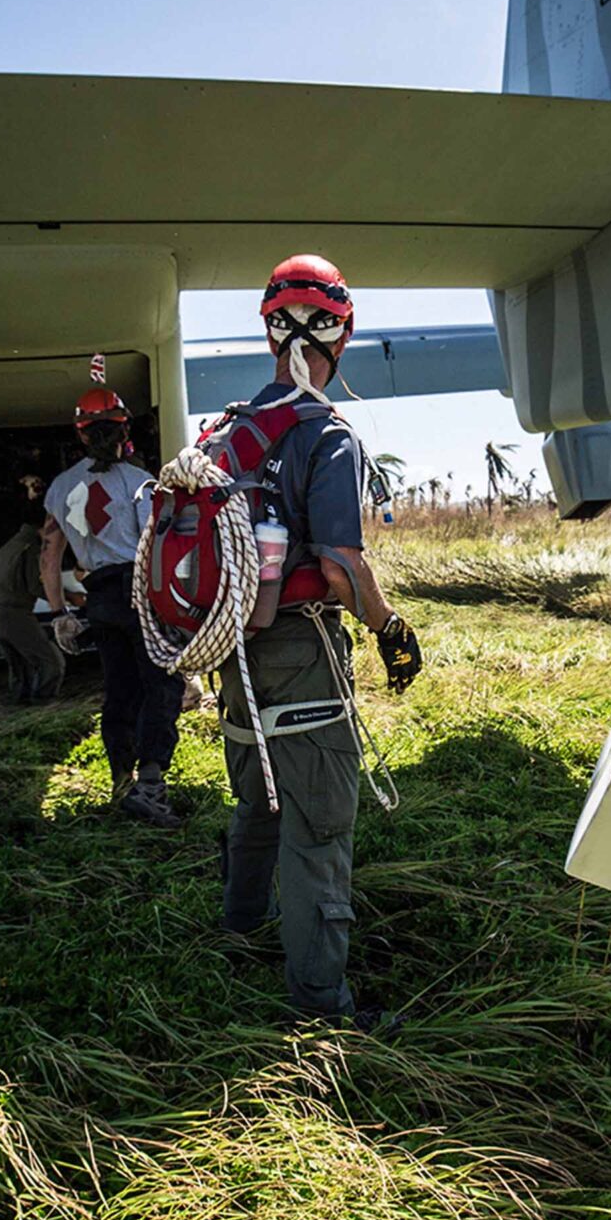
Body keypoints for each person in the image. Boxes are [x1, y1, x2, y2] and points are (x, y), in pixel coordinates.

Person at [216, 254, 423, 1030]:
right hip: (301, 649)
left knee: (258, 800)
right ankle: (322, 1009)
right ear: (342, 335)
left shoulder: (229, 432)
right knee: (320, 829)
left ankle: (239, 930)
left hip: (233, 650)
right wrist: (388, 628)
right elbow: (340, 566)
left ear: (271, 330)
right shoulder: (326, 437)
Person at [42, 384, 185, 827]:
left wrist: (59, 614)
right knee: (162, 686)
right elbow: (155, 552)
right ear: (124, 429)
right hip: (139, 593)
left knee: (119, 690)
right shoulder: (140, 483)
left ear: (81, 434)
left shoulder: (62, 486)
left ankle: (122, 780)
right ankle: (151, 785)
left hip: (99, 599)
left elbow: (49, 554)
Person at [0, 472, 66, 703]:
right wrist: (68, 598)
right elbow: (37, 585)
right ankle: (44, 704)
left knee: (20, 666)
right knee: (51, 662)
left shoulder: (10, 545)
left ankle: (19, 704)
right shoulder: (31, 548)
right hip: (13, 615)